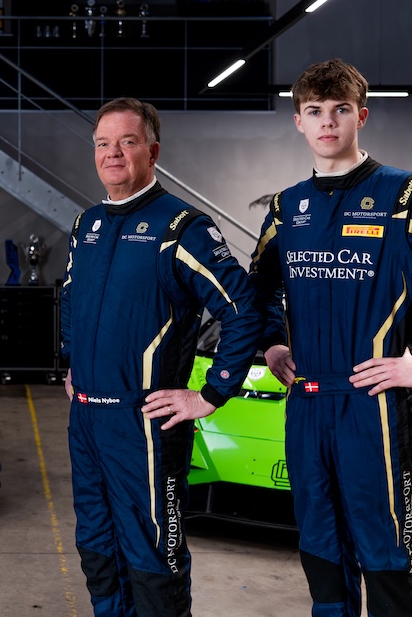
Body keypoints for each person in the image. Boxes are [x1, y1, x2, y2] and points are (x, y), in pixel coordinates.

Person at [246, 58, 412, 616]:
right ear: (298, 121)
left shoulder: (408, 196)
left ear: (361, 116)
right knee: (321, 555)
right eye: (314, 110)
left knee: (386, 558)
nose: (327, 121)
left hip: (375, 407)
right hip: (306, 406)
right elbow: (259, 288)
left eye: (340, 109)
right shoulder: (287, 207)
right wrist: (271, 342)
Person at [59, 97, 262, 616]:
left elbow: (243, 308)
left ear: (152, 151)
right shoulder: (87, 225)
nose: (112, 153)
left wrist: (211, 393)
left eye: (127, 142)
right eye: (103, 143)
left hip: (144, 425)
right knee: (97, 553)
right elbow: (71, 297)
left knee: (153, 563)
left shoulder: (181, 227)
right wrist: (72, 360)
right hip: (87, 420)